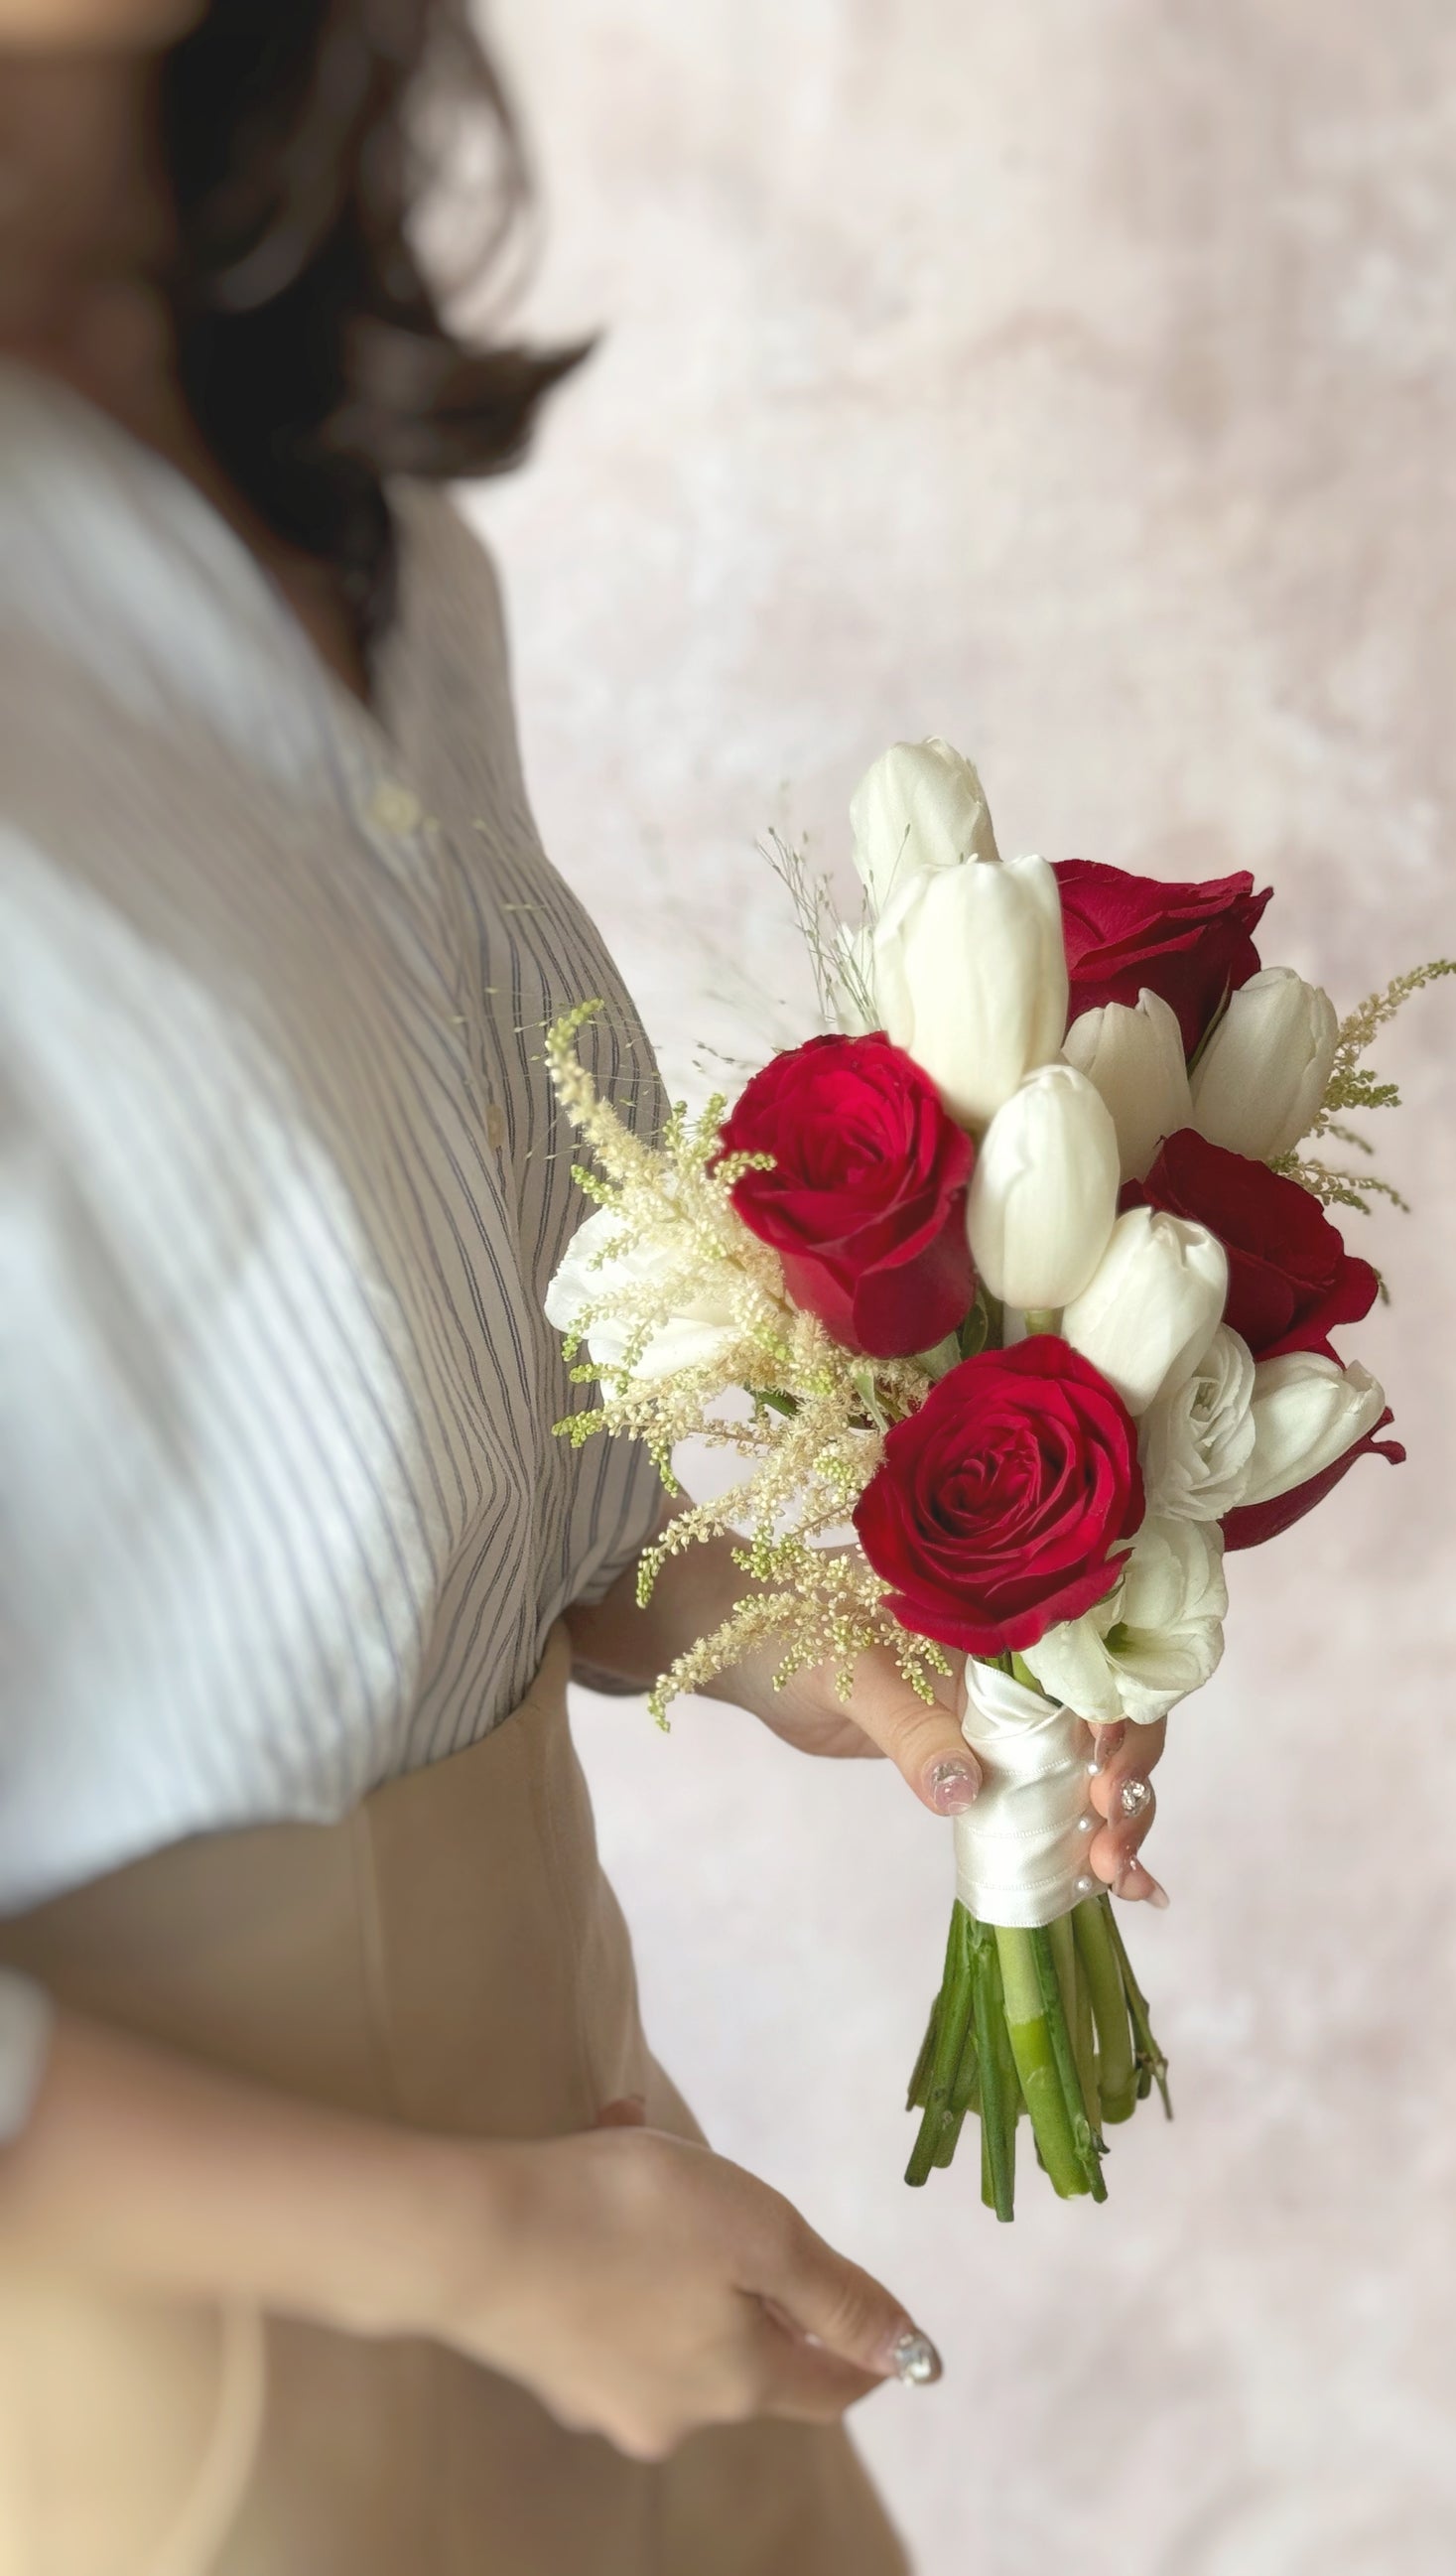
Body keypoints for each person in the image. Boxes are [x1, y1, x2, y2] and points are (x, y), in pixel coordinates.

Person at [0, 3, 1169, 2569]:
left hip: (585, 2180)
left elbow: (377, 1367)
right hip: (173, 2349)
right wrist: (485, 2250)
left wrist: (747, 1610)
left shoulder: (347, 498)